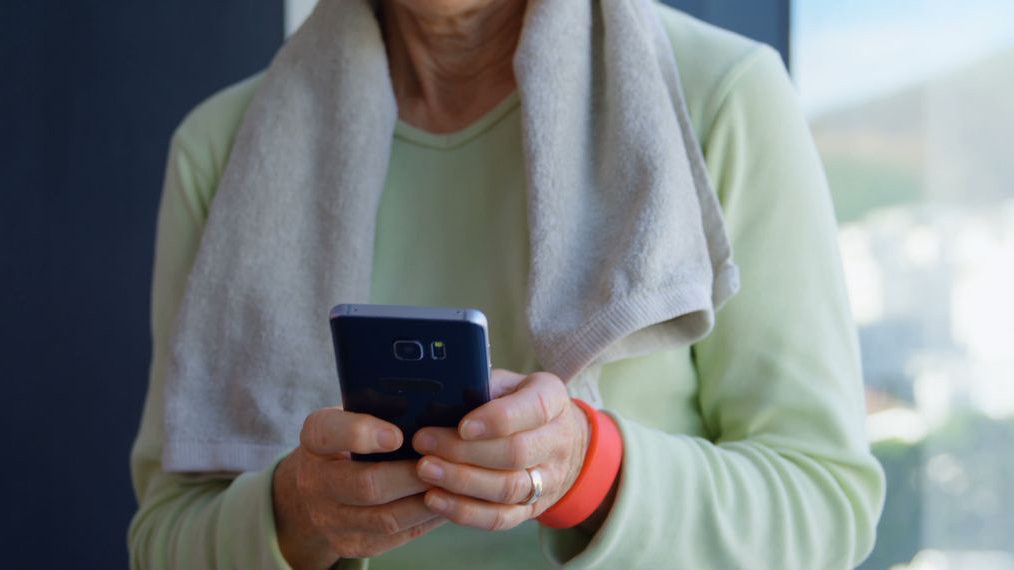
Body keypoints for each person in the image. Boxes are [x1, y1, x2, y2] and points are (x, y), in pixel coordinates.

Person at [128, 0, 885, 568]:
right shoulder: (222, 150)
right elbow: (163, 539)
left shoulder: (722, 98)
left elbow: (825, 505)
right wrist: (293, 514)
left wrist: (589, 472)